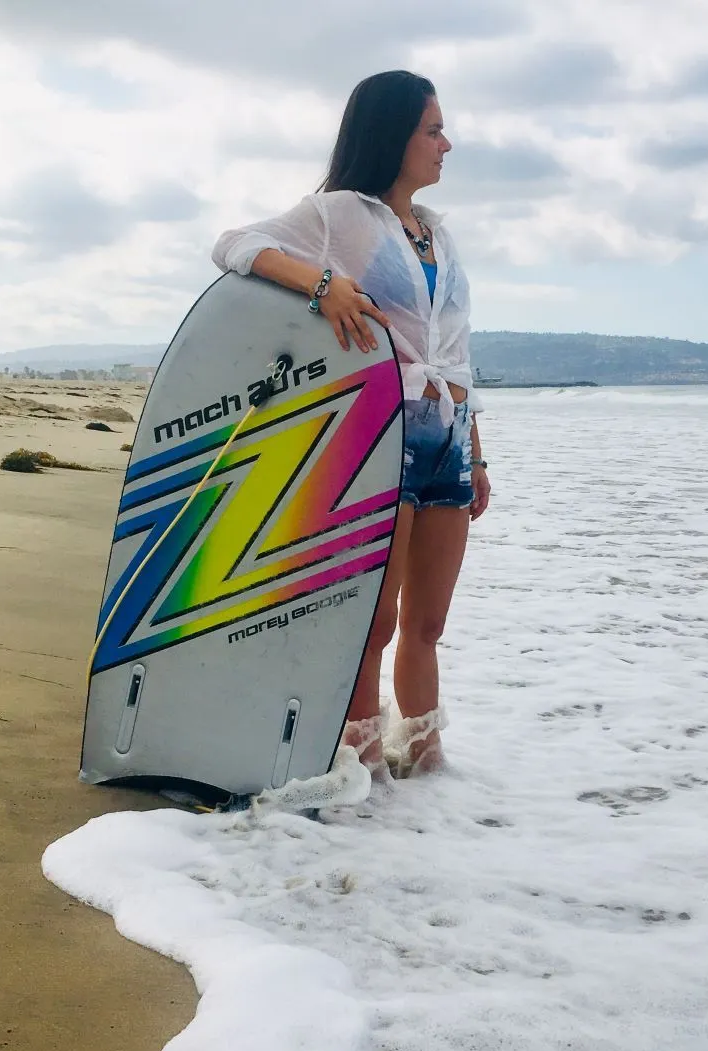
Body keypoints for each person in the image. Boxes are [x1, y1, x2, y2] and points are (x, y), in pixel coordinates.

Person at [211, 70, 490, 780]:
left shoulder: (440, 237)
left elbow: (456, 355)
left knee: (429, 627)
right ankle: (360, 773)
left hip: (447, 443)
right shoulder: (340, 215)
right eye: (432, 130)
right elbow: (235, 244)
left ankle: (426, 773)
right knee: (377, 625)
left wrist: (478, 456)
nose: (446, 144)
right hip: (379, 438)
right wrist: (323, 284)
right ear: (391, 135)